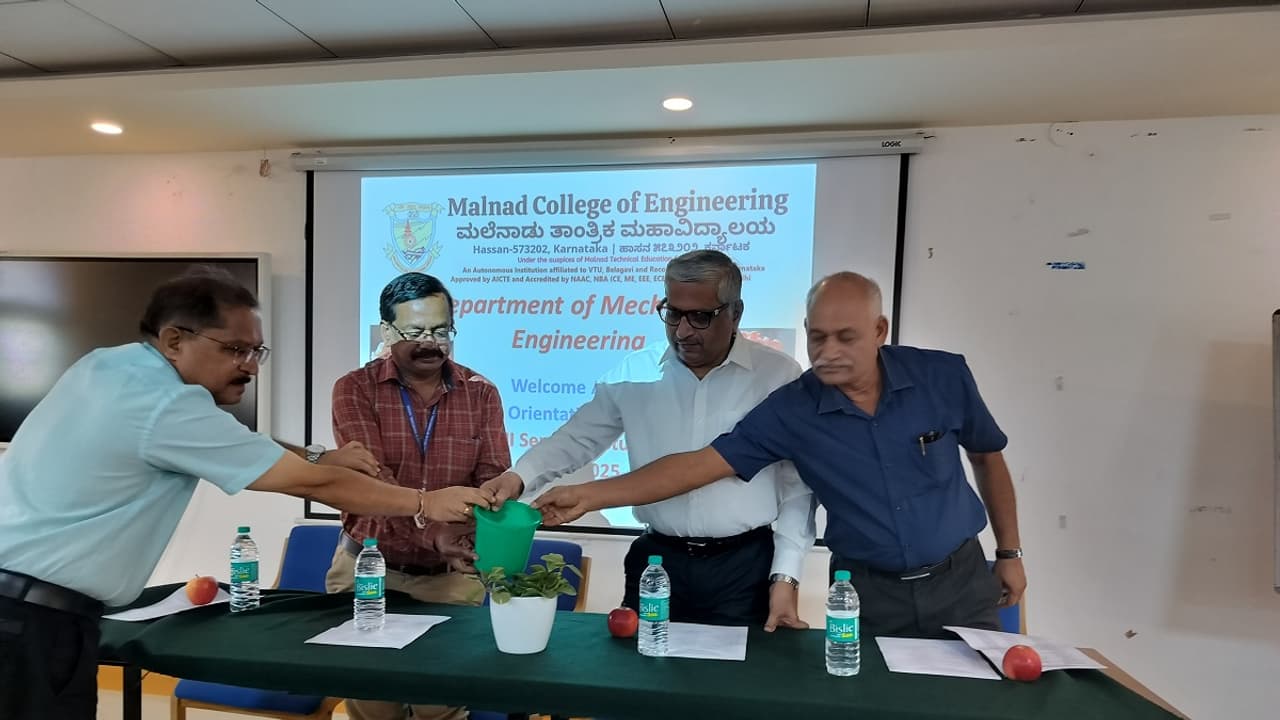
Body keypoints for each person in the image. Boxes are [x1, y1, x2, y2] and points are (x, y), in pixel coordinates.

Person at [0, 268, 493, 720]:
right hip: (31, 624)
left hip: (27, 612)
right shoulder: (168, 404)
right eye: (235, 350)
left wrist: (318, 454)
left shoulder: (110, 366)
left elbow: (241, 441)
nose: (250, 367)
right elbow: (311, 483)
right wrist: (426, 503)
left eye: (256, 351)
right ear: (174, 340)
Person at [534, 271, 1027, 640]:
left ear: (880, 329)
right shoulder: (794, 408)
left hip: (961, 580)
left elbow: (988, 458)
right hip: (865, 593)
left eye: (846, 337)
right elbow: (698, 466)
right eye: (817, 336)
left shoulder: (943, 376)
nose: (828, 351)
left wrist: (1009, 552)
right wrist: (588, 495)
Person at [486, 250, 815, 630]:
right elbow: (576, 439)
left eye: (700, 317)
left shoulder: (778, 376)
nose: (682, 331)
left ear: (735, 313)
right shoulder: (634, 373)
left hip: (744, 567)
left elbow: (797, 487)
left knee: (741, 668)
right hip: (657, 561)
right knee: (643, 663)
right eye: (672, 313)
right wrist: (519, 477)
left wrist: (786, 575)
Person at [326, 272, 511, 720]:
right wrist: (433, 530)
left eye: (441, 331)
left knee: (439, 709)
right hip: (369, 570)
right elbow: (374, 485)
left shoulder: (481, 393)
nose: (431, 343)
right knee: (374, 708)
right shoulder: (354, 389)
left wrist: (481, 530)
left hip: (450, 580)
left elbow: (492, 479)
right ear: (387, 332)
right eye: (416, 332)